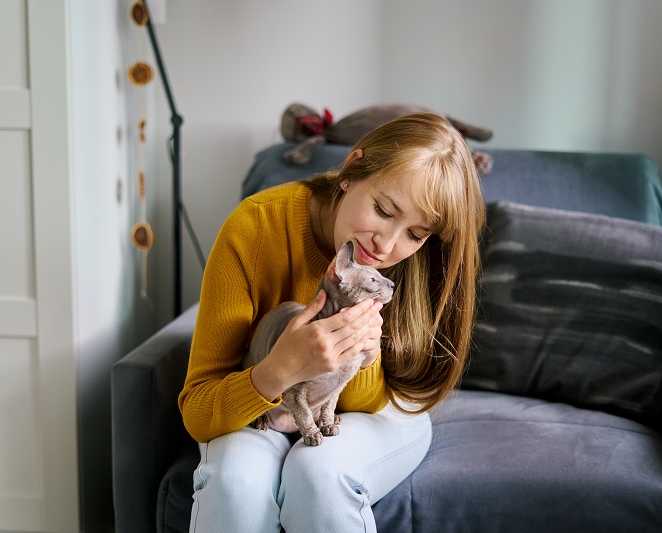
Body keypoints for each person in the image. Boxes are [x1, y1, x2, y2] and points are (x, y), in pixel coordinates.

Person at [178, 112, 486, 532]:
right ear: (350, 171)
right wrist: (278, 370)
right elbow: (198, 410)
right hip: (268, 400)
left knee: (319, 475)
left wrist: (362, 351)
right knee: (236, 482)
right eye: (382, 209)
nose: (387, 245)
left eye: (416, 234)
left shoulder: (413, 263)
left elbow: (371, 401)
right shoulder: (254, 228)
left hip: (381, 407)